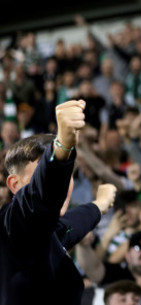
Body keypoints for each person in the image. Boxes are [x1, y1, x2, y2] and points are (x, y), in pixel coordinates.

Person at [0, 100, 117, 305]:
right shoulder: (14, 225)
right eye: (40, 172)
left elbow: (73, 223)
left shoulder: (49, 232)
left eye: (69, 175)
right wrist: (63, 145)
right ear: (14, 184)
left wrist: (101, 203)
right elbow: (44, 193)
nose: (64, 184)